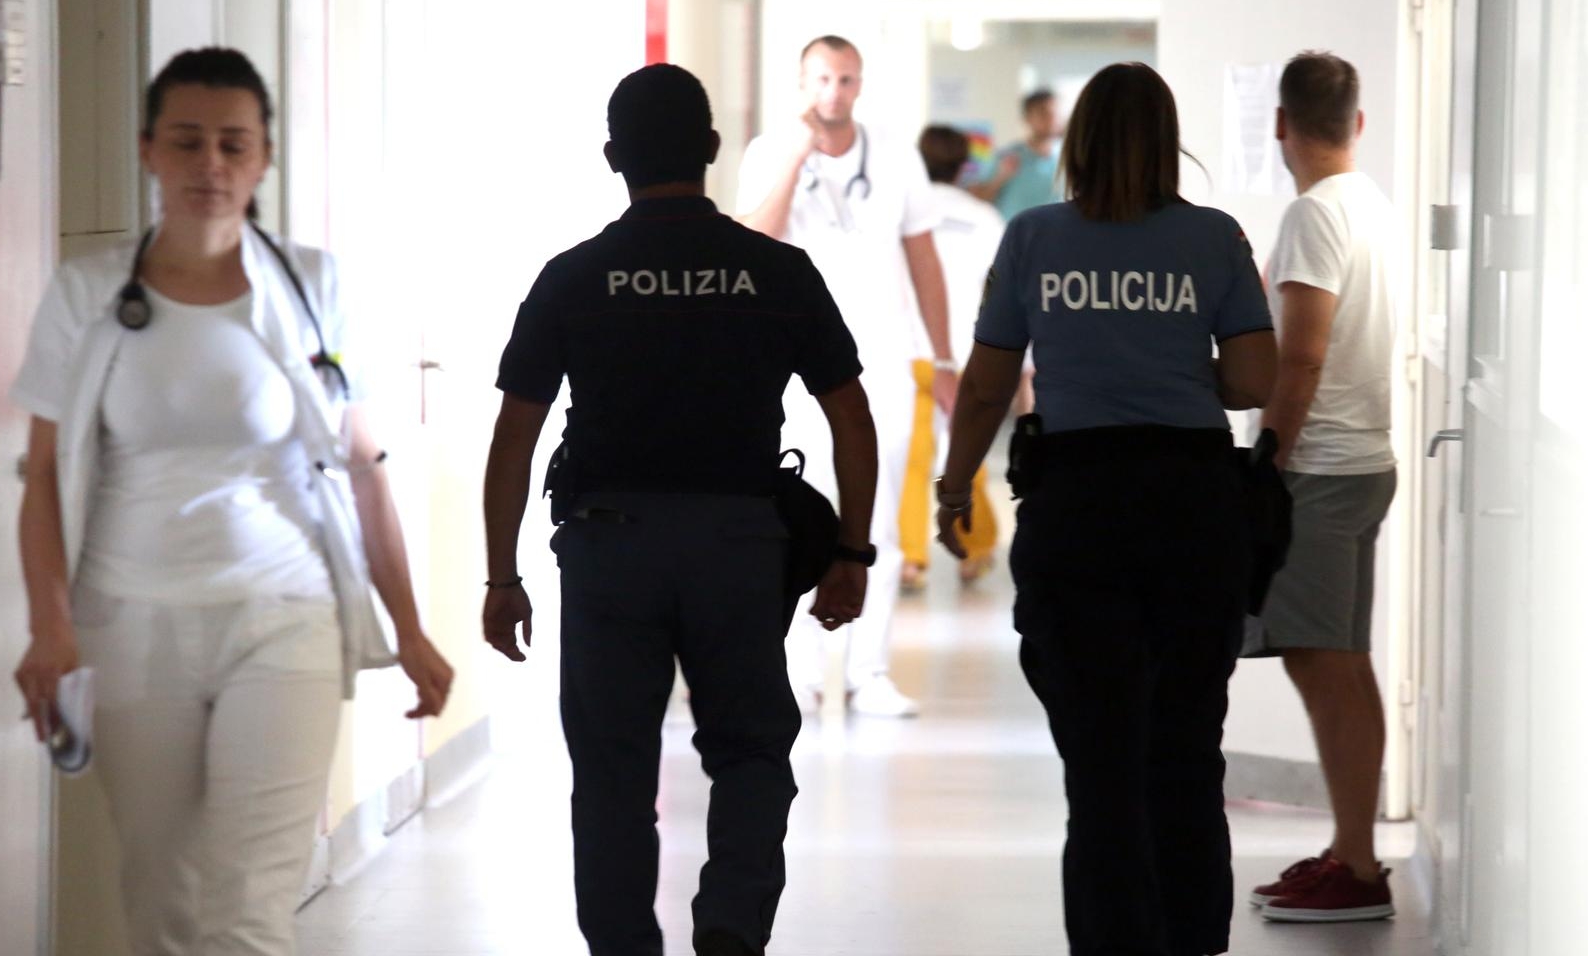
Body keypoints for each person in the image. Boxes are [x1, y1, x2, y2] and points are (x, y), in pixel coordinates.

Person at [8, 48, 453, 956]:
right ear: (148, 151)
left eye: (232, 143)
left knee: (248, 908)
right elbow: (43, 476)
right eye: (186, 141)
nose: (209, 164)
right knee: (162, 900)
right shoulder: (89, 293)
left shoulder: (315, 286)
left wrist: (407, 627)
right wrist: (49, 627)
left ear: (263, 158)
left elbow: (362, 466)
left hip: (286, 616)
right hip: (129, 621)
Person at [481, 64, 878, 956]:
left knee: (611, 772)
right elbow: (850, 416)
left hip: (608, 550)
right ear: (711, 148)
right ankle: (731, 922)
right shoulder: (777, 272)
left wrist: (503, 577)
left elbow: (514, 439)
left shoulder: (573, 277)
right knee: (750, 750)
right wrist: (851, 551)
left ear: (612, 157)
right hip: (739, 547)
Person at [937, 63, 1276, 956]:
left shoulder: (1033, 237)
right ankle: (1191, 940)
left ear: (1079, 141)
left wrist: (954, 485)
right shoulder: (1215, 238)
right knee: (1186, 750)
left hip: (1078, 507)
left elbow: (987, 386)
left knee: (1100, 763)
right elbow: (1253, 379)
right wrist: (1170, 366)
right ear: (1167, 142)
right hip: (1193, 506)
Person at [736, 34, 955, 717]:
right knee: (797, 511)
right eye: (823, 79)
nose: (835, 92)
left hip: (882, 360)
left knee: (880, 515)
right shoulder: (769, 150)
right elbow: (754, 240)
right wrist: (797, 154)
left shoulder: (895, 155)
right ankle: (798, 671)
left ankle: (870, 671)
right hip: (790, 366)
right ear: (803, 84)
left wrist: (944, 357)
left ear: (860, 84)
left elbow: (924, 258)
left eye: (847, 80)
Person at [1243, 51, 1400, 924]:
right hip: (1363, 462)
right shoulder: (1368, 201)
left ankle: (1359, 867)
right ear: (1357, 123)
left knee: (1323, 661)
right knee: (1341, 660)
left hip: (1320, 470)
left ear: (1281, 124)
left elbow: (1301, 354)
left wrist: (1266, 461)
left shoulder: (1313, 214)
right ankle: (1352, 850)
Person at [899, 125, 1003, 590]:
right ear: (964, 166)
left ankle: (910, 558)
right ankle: (975, 550)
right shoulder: (984, 218)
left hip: (911, 351)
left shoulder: (905, 212)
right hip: (965, 353)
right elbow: (1000, 293)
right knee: (967, 453)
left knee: (911, 459)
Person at [968, 88, 1066, 221]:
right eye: (1044, 113)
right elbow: (977, 200)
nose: (1052, 119)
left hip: (1054, 232)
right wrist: (1000, 177)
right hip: (1014, 232)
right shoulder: (1006, 157)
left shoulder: (1069, 159)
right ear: (1027, 118)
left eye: (1057, 114)